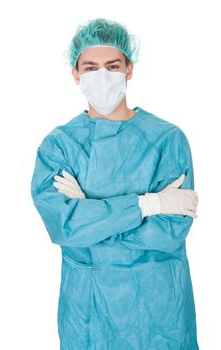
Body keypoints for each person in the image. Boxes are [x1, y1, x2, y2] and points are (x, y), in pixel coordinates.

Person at [30, 18, 199, 349]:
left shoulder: (167, 139)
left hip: (159, 310)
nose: (102, 76)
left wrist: (91, 215)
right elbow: (64, 229)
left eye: (112, 65)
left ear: (129, 70)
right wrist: (146, 205)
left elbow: (169, 233)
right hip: (88, 311)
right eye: (91, 67)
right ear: (76, 74)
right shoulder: (59, 146)